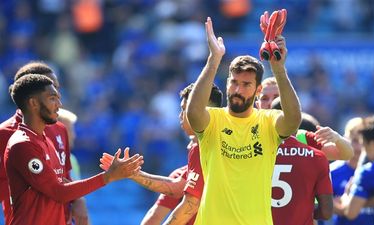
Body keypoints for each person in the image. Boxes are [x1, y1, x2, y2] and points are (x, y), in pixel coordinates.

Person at [186, 17, 301, 224]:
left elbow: (293, 120)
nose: (238, 90)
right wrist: (214, 59)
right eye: (234, 83)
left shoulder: (268, 122)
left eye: (246, 85)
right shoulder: (214, 119)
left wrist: (279, 69)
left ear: (258, 90)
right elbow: (193, 113)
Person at [5, 74, 143, 225]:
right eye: (52, 98)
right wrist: (108, 176)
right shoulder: (23, 145)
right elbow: (59, 192)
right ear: (33, 103)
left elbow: (63, 184)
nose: (59, 104)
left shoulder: (45, 140)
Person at [100, 83, 224, 225]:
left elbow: (187, 200)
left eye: (186, 109)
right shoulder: (184, 172)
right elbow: (176, 190)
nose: (181, 115)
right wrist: (132, 173)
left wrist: (133, 174)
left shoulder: (210, 147)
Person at [0, 61, 87, 225]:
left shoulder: (60, 129)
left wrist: (78, 200)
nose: (56, 93)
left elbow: (64, 176)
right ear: (30, 96)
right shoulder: (5, 135)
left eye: (56, 88)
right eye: (50, 89)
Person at [268, 99, 333, 224]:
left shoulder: (258, 152)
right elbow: (326, 212)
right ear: (298, 121)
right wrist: (303, 210)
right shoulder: (317, 157)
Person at [258, 77, 354, 161]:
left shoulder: (303, 137)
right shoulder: (247, 133)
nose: (271, 103)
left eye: (277, 97)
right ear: (257, 104)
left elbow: (346, 154)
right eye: (264, 98)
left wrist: (337, 138)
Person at [329, 117, 374, 225]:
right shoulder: (332, 172)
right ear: (345, 139)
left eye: (363, 141)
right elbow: (320, 206)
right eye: (355, 140)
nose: (359, 147)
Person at [57, 108, 91, 224]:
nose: (74, 135)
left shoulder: (72, 160)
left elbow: (78, 200)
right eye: (70, 130)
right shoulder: (50, 157)